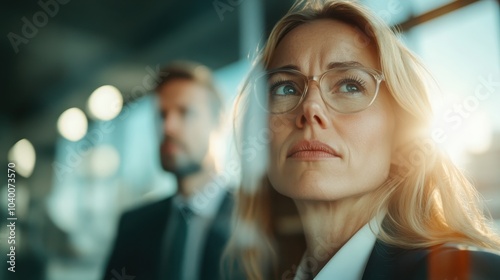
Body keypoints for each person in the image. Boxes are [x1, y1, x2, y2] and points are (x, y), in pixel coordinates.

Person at [224, 1, 500, 279]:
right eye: (285, 88)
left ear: (400, 135)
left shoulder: (465, 273)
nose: (310, 108)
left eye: (350, 85)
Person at [102, 61, 235, 280]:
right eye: (162, 115)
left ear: (219, 121)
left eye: (184, 112)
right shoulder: (133, 227)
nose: (167, 127)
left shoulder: (260, 220)